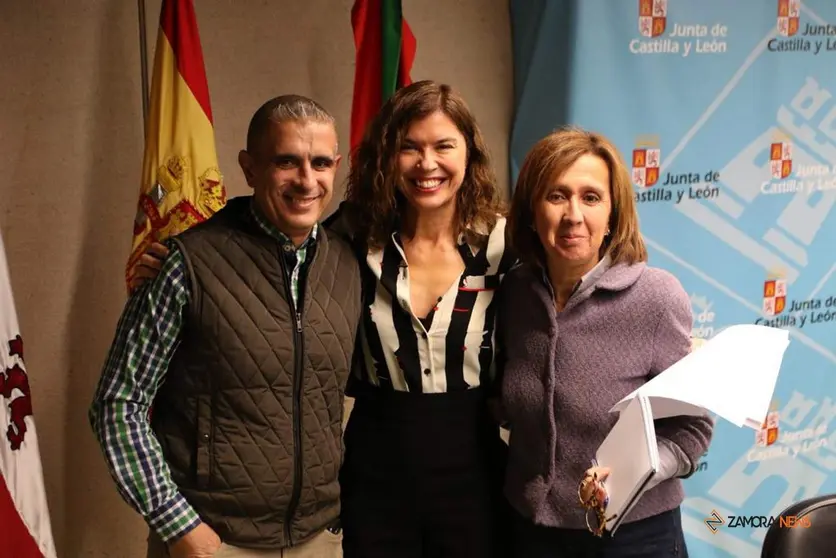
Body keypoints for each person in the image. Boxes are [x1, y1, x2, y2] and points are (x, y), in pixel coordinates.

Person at [89, 95, 362, 558]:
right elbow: (118, 405)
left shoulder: (348, 265)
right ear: (250, 168)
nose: (306, 180)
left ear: (336, 166)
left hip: (319, 540)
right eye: (286, 162)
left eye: (320, 163)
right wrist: (175, 524)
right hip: (213, 541)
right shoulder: (186, 265)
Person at [499, 126, 713, 557]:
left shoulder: (655, 297)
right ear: (531, 211)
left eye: (591, 197)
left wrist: (637, 473)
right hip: (529, 533)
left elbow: (692, 429)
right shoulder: (513, 294)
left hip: (633, 538)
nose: (573, 214)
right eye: (556, 196)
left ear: (613, 213)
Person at [325, 80, 515, 558]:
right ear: (387, 157)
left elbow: (579, 271)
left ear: (469, 153)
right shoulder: (350, 236)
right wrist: (183, 255)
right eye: (409, 147)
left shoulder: (506, 244)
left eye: (443, 146)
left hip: (475, 470)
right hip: (377, 471)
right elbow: (269, 251)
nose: (427, 164)